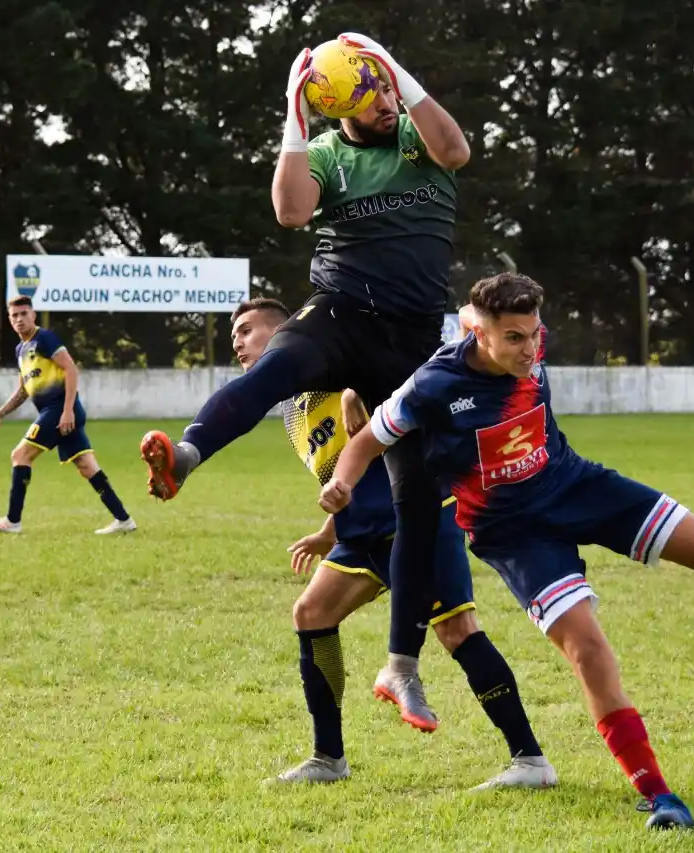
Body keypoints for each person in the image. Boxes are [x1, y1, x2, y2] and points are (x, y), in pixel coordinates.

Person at [318, 272, 694, 830]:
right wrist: (340, 483)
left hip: (576, 485)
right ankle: (658, 795)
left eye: (534, 334)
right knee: (588, 650)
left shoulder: (515, 339)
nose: (530, 349)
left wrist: (491, 320)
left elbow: (472, 312)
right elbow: (364, 443)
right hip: (514, 533)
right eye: (514, 338)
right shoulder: (433, 386)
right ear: (481, 335)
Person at [138, 33, 471, 728]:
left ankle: (402, 666)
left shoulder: (418, 135)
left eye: (386, 90)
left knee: (417, 496)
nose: (384, 102)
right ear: (335, 103)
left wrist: (389, 64)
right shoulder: (323, 153)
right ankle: (188, 455)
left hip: (409, 342)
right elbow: (290, 210)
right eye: (369, 92)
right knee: (278, 366)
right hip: (340, 310)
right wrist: (295, 108)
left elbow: (458, 151)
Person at [230, 298, 555, 789]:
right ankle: (328, 758)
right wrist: (328, 533)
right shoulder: (294, 410)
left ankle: (530, 761)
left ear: (282, 335)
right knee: (311, 613)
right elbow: (344, 473)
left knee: (458, 631)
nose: (237, 341)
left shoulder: (328, 364)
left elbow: (386, 397)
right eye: (235, 333)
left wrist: (353, 395)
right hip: (363, 533)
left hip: (419, 519)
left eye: (247, 330)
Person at [0, 296, 136, 535]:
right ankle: (123, 520)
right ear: (10, 320)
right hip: (56, 412)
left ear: (33, 315)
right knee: (86, 467)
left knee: (20, 455)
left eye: (24, 313)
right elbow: (23, 389)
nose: (20, 319)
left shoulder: (45, 338)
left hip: (59, 410)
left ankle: (12, 521)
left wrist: (67, 410)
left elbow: (71, 368)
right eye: (14, 316)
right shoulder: (21, 349)